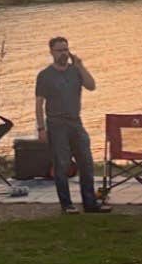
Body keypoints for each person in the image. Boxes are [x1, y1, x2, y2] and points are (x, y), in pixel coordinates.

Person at [35, 35, 110, 214]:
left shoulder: (75, 71)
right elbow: (39, 103)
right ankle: (67, 205)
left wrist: (80, 65)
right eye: (60, 50)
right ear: (51, 52)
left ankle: (90, 203)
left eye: (66, 50)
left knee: (86, 161)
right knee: (61, 164)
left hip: (75, 122)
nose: (63, 53)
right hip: (56, 123)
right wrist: (41, 129)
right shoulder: (45, 75)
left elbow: (91, 86)